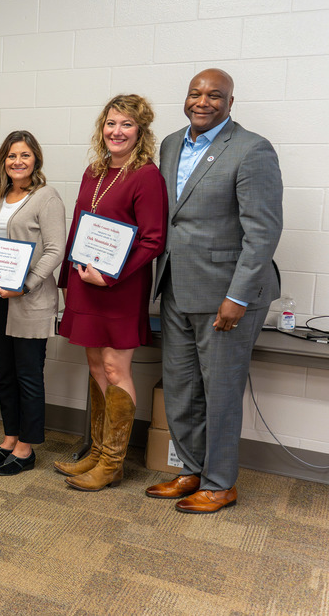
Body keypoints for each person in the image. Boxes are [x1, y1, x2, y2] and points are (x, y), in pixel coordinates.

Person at [146, 69, 283, 514]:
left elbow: (262, 232)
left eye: (215, 96)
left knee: (220, 392)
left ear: (230, 101)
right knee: (182, 388)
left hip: (226, 296)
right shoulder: (170, 144)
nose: (203, 102)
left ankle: (220, 482)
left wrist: (238, 297)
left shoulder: (251, 149)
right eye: (195, 94)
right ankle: (190, 470)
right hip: (176, 288)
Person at [54, 94, 168, 491]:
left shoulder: (146, 175)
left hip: (119, 287)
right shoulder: (95, 171)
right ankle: (97, 454)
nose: (117, 132)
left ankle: (113, 463)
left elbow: (153, 240)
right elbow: (78, 228)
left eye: (126, 125)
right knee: (96, 366)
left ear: (141, 132)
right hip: (85, 283)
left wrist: (111, 277)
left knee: (116, 367)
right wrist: (68, 280)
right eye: (111, 123)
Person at [0, 131, 65, 475]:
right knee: (5, 374)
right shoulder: (2, 195)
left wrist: (27, 283)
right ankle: (9, 438)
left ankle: (26, 449)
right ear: (3, 161)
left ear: (35, 159)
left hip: (30, 300)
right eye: (11, 156)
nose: (17, 162)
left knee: (27, 375)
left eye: (24, 155)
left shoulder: (46, 197)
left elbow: (55, 250)